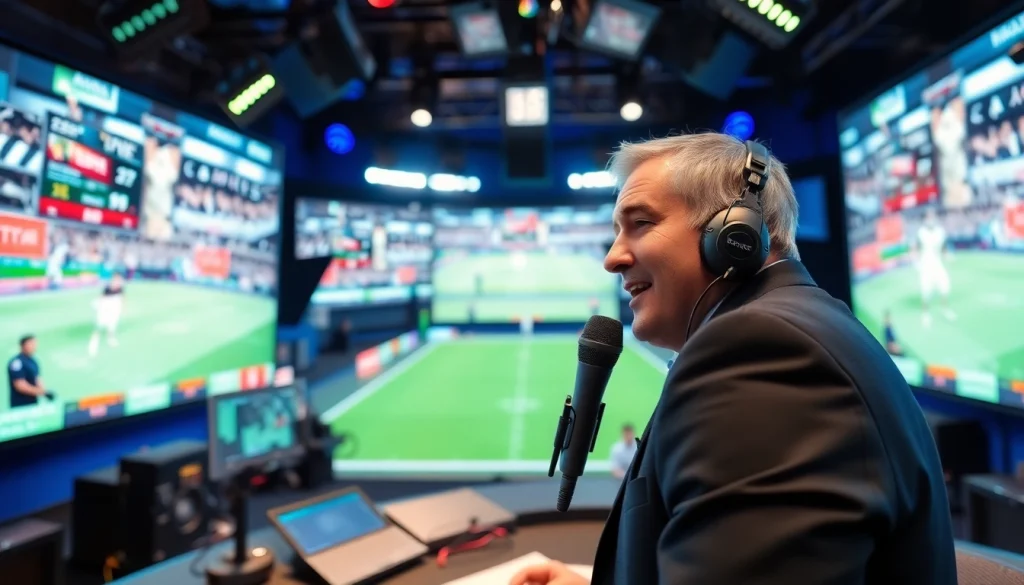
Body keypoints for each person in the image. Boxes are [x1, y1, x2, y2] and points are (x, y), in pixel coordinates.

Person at [510, 133, 955, 585]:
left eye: (640, 223)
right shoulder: (798, 326)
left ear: (732, 234)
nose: (612, 258)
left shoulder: (760, 355)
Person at [915, 207, 955, 328]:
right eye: (928, 217)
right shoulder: (921, 233)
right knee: (926, 291)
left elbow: (943, 247)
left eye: (932, 216)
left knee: (944, 286)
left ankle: (945, 309)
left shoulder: (940, 232)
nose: (930, 219)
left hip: (937, 264)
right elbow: (917, 248)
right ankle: (925, 314)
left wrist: (947, 255)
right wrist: (917, 261)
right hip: (926, 264)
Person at [7, 335, 50, 408]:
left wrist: (45, 392)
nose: (34, 346)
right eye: (31, 344)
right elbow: (20, 385)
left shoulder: (33, 361)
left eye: (35, 344)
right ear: (23, 345)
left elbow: (37, 379)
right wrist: (40, 392)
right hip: (20, 405)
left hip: (33, 403)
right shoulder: (16, 363)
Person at [89, 273, 126, 357]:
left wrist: (122, 308)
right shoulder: (107, 288)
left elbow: (122, 298)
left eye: (119, 280)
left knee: (112, 324)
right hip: (104, 310)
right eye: (116, 280)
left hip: (114, 310)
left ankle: (111, 338)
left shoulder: (121, 288)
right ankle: (94, 341)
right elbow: (101, 299)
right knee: (99, 326)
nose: (118, 282)